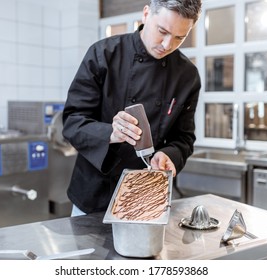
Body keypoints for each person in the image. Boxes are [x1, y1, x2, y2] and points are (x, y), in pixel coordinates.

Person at [62, 0, 202, 216]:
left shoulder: (187, 76)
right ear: (146, 14)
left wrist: (169, 155)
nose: (167, 45)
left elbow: (183, 138)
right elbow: (73, 122)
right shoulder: (103, 54)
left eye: (179, 38)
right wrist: (110, 132)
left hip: (148, 197)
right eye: (162, 31)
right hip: (94, 194)